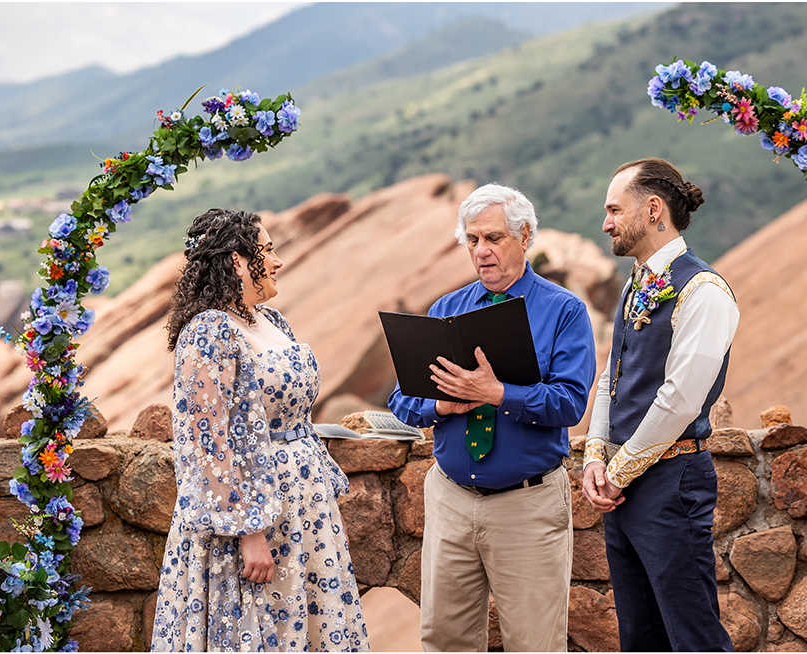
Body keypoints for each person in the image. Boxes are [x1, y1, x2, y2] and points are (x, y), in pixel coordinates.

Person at [388, 184, 597, 652]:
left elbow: (569, 404)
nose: (482, 252)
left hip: (527, 506)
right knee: (444, 640)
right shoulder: (446, 310)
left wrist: (498, 393)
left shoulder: (563, 311)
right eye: (473, 239)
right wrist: (443, 405)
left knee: (534, 643)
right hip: (450, 500)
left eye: (494, 239)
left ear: (525, 238)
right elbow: (402, 399)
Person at [152, 208, 368, 652]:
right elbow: (207, 444)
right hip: (253, 520)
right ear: (236, 261)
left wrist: (320, 501)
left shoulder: (271, 321)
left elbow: (296, 421)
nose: (277, 261)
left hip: (303, 510)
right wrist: (249, 532)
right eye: (266, 251)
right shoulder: (208, 332)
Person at [581, 158, 738, 651]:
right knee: (641, 637)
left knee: (693, 636)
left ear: (653, 209)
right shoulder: (634, 283)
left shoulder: (703, 290)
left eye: (614, 210)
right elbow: (613, 376)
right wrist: (593, 454)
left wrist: (617, 473)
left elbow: (680, 400)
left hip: (673, 485)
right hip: (624, 491)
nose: (606, 223)